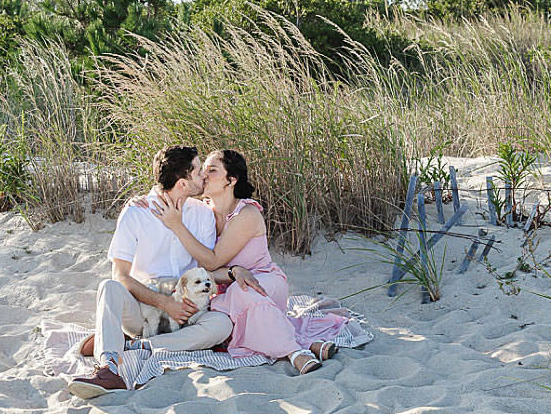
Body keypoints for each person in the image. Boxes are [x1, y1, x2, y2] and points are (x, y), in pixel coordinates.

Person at [67, 145, 265, 399]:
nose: (204, 175)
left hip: (186, 314)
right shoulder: (136, 213)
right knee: (108, 287)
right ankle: (109, 368)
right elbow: (121, 275)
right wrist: (164, 303)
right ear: (182, 183)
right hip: (143, 311)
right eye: (198, 171)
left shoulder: (203, 215)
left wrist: (234, 271)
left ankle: (135, 345)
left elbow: (206, 268)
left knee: (222, 325)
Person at [139, 150, 347, 375]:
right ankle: (307, 344)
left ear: (231, 180)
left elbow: (212, 261)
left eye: (212, 170)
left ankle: (294, 352)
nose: (204, 175)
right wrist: (143, 201)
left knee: (243, 291)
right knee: (232, 300)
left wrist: (177, 226)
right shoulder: (203, 211)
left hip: (263, 282)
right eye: (203, 170)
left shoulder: (246, 213)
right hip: (228, 291)